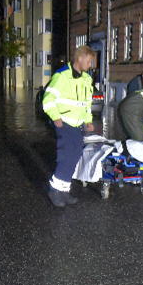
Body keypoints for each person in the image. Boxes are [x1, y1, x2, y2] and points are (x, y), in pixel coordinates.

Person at [42, 45, 97, 208]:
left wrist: (88, 120)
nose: (90, 64)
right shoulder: (62, 76)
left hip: (78, 124)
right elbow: (48, 99)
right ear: (79, 58)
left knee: (74, 157)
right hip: (65, 122)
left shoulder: (87, 79)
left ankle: (64, 191)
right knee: (66, 157)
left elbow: (87, 103)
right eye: (89, 61)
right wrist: (56, 117)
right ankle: (54, 191)